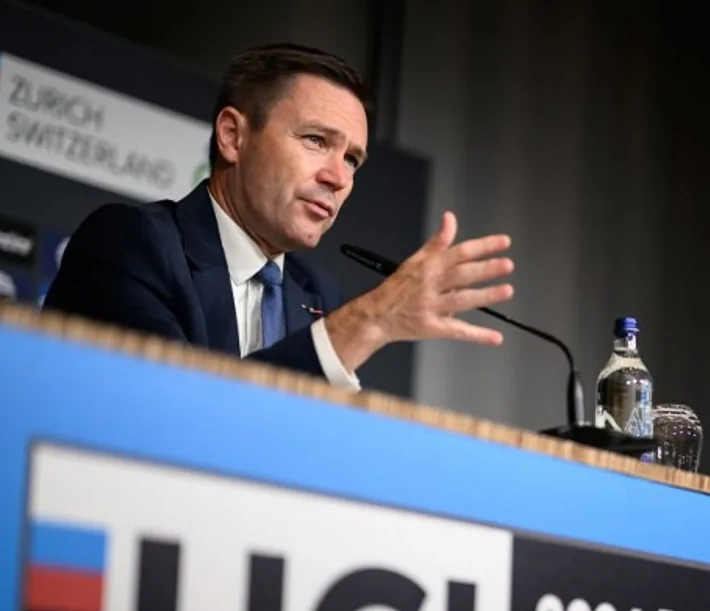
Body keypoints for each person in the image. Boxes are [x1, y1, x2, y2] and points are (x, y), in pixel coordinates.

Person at [43, 43, 514, 389]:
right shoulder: (130, 245)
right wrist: (369, 320)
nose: (338, 177)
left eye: (352, 159)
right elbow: (178, 415)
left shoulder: (316, 294)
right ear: (232, 136)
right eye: (315, 140)